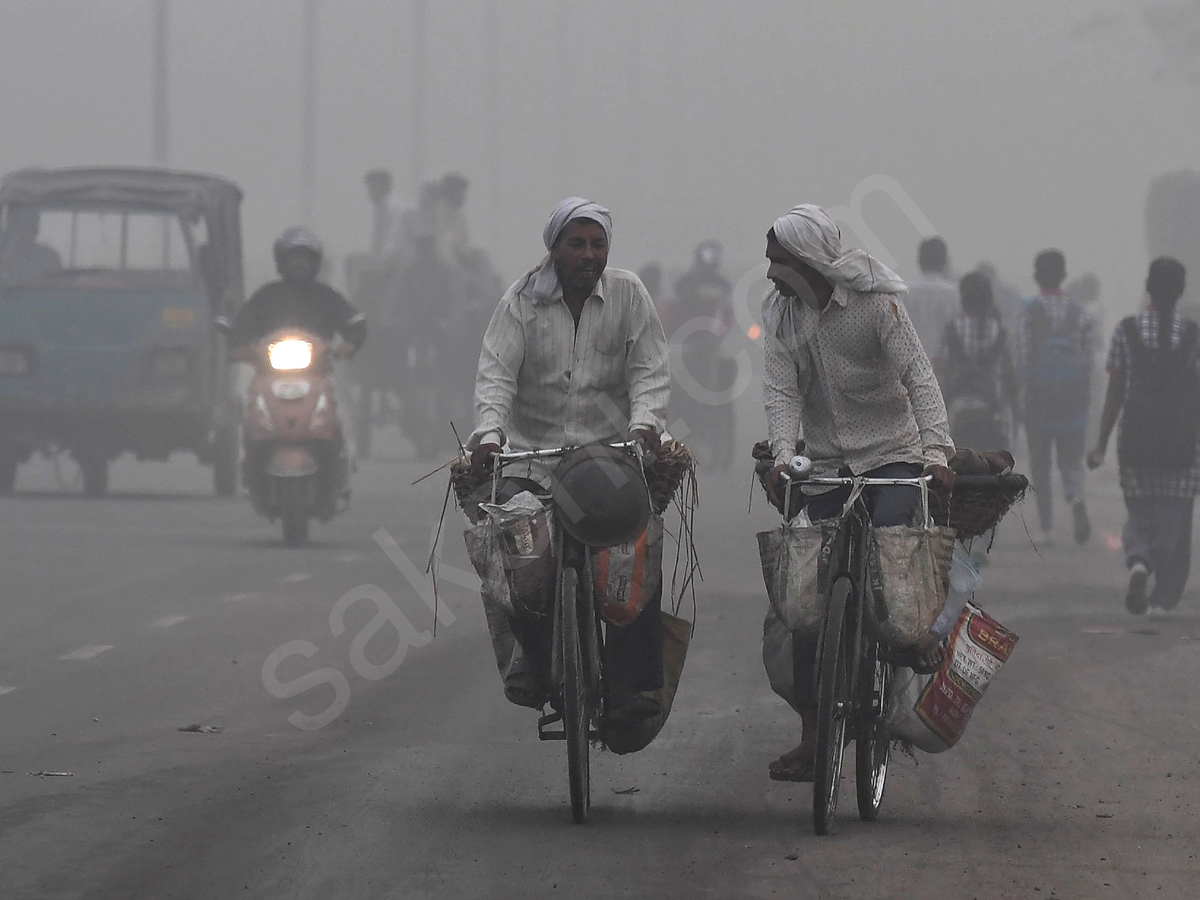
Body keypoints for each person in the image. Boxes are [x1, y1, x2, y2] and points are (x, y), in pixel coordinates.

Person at [759, 205, 955, 782]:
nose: (769, 272)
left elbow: (920, 377)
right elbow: (780, 389)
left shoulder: (876, 306)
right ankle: (812, 735)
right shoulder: (781, 315)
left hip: (892, 455)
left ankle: (908, 639)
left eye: (778, 261)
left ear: (809, 262)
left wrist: (937, 454)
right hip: (822, 462)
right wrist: (781, 456)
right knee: (803, 598)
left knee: (896, 544)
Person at [467, 197, 670, 721]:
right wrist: (489, 434)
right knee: (516, 556)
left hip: (609, 459)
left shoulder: (628, 294)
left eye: (597, 244)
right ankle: (534, 662)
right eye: (576, 244)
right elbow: (496, 375)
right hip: (532, 460)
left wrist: (646, 423)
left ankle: (634, 685)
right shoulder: (519, 302)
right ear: (553, 248)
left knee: (635, 552)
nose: (588, 255)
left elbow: (649, 369)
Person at [1088, 258, 1198, 614]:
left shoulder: (1127, 330)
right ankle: (1163, 597)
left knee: (1139, 511)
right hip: (1183, 446)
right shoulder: (1194, 335)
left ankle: (1138, 560)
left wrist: (1101, 445)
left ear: (1147, 287)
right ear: (1180, 292)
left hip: (1135, 441)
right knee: (1174, 518)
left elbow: (1115, 393)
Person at [1017, 249, 1094, 547]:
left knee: (1040, 463)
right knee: (1070, 459)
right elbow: (1087, 357)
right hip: (1071, 399)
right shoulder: (1079, 312)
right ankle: (1075, 498)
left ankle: (1046, 528)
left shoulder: (1028, 311)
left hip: (1039, 399)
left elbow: (1022, 359)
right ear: (1064, 275)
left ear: (1037, 276)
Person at [231, 228, 366, 351]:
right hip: (268, 370)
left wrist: (349, 343)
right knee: (256, 380)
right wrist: (240, 345)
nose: (300, 264)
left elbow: (353, 321)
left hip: (318, 371)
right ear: (281, 261)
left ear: (315, 263)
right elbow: (243, 323)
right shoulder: (266, 296)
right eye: (294, 259)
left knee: (327, 380)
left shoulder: (327, 296)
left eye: (305, 259)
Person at [939, 270, 1019, 450]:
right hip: (995, 411)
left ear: (962, 298)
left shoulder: (952, 329)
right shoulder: (1000, 331)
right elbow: (1010, 377)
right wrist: (1016, 412)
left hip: (957, 412)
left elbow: (941, 371)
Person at [905, 236, 958, 367]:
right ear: (944, 261)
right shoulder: (955, 294)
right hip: (944, 367)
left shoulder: (904, 292)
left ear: (919, 260)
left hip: (910, 365)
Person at [0, 207, 62, 283]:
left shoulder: (49, 257)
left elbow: (56, 286)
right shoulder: (4, 257)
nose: (26, 233)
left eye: (31, 227)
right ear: (10, 227)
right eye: (22, 226)